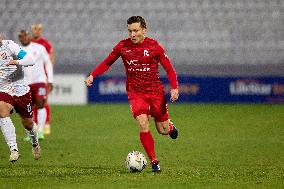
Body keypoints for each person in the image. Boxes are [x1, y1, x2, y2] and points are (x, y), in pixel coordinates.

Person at [85, 16, 179, 173]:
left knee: (162, 130)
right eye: (130, 31)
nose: (132, 34)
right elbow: (107, 62)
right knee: (143, 123)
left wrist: (174, 87)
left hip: (155, 92)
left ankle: (169, 126)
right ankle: (154, 161)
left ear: (144, 30)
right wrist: (92, 75)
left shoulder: (154, 46)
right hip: (136, 93)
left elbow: (169, 68)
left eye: (136, 31)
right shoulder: (122, 46)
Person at [0, 33, 41, 162]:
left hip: (21, 89)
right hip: (4, 88)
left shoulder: (10, 45)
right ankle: (14, 150)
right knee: (2, 110)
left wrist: (16, 61)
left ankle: (34, 142)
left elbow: (30, 60)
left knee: (28, 123)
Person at [18, 30, 53, 140]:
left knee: (41, 103)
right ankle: (30, 134)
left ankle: (41, 131)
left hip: (40, 81)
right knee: (26, 109)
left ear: (29, 36)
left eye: (25, 36)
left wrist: (50, 80)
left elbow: (47, 62)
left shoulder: (39, 48)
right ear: (19, 38)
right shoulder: (17, 50)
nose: (24, 38)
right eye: (21, 37)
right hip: (25, 83)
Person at [31, 23, 54, 135]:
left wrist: (49, 76)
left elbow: (50, 60)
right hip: (31, 78)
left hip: (42, 78)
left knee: (43, 101)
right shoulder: (29, 44)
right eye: (35, 29)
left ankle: (46, 124)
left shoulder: (46, 44)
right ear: (32, 30)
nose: (37, 31)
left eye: (39, 29)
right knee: (33, 103)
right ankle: (35, 125)